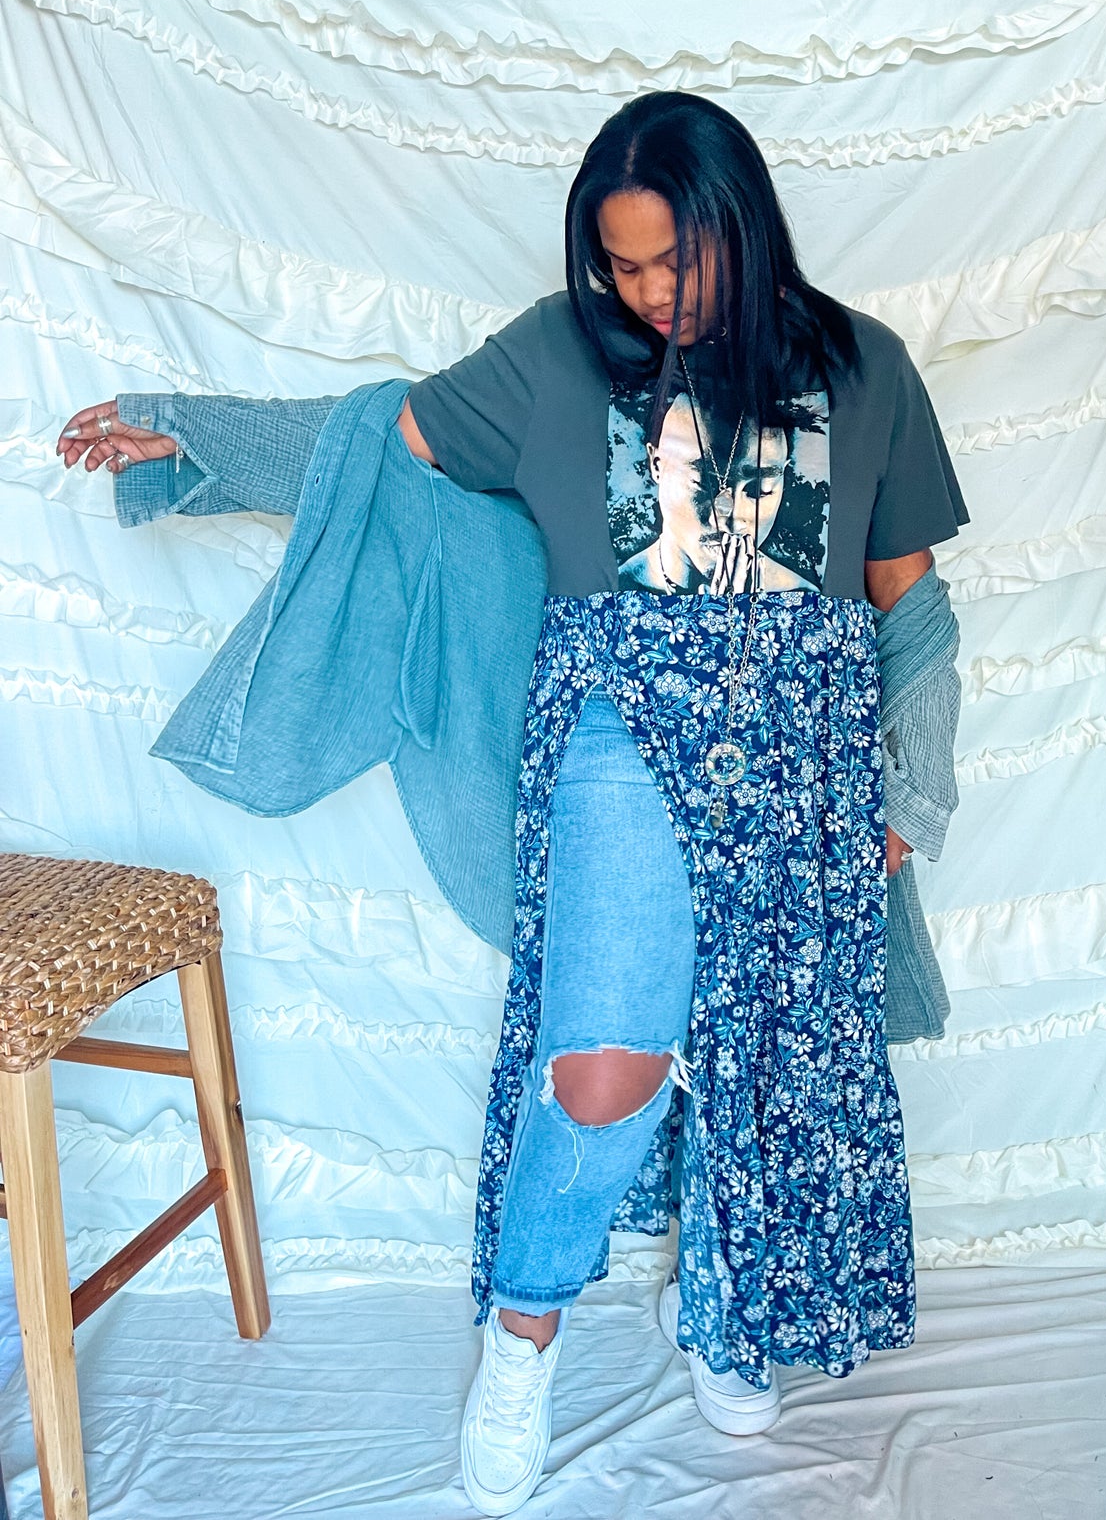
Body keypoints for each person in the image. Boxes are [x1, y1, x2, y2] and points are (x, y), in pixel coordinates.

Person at [57, 91, 967, 1517]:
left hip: (804, 763)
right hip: (621, 733)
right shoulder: (557, 355)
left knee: (767, 1054)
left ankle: (725, 1314)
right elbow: (381, 442)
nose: (649, 293)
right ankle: (524, 1338)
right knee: (606, 1062)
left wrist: (913, 789)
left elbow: (907, 602)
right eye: (624, 264)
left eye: (676, 259)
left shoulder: (865, 368)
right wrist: (192, 439)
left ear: (742, 225)